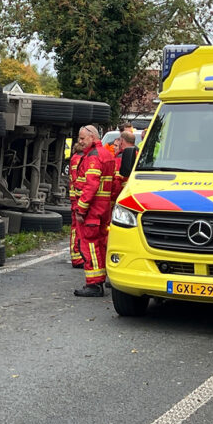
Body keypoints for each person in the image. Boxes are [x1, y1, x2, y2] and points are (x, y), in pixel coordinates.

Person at [72, 125, 115, 297]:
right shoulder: (107, 154)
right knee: (102, 243)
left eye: (83, 138)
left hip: (92, 209)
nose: (80, 141)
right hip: (104, 208)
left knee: (89, 244)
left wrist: (81, 209)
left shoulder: (93, 157)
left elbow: (91, 185)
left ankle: (94, 284)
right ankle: (102, 277)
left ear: (92, 137)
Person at [68, 141, 85, 269]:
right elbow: (77, 180)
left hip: (77, 197)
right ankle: (76, 257)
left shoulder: (77, 157)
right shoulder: (78, 159)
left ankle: (78, 255)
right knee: (76, 229)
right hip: (77, 198)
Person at [111, 131, 136, 204]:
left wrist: (113, 200)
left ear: (122, 141)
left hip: (122, 195)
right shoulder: (139, 154)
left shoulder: (120, 158)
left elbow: (117, 181)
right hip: (134, 194)